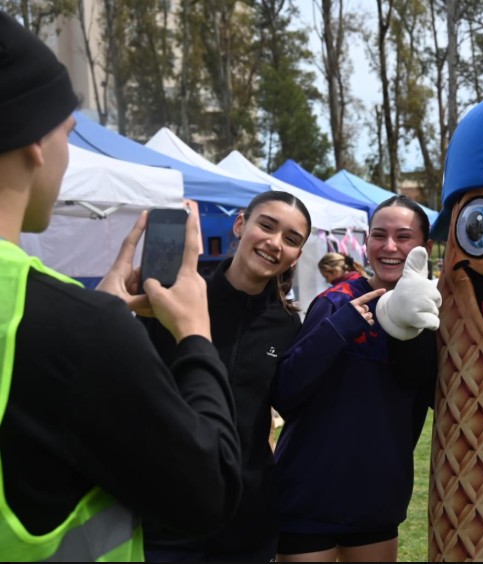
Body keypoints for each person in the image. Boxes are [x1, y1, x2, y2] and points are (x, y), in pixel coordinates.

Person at [0, 12, 241, 561]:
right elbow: (209, 489)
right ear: (36, 141)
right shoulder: (80, 331)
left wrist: (95, 312)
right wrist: (196, 336)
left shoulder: (76, 322)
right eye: (68, 131)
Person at [141, 191, 312, 562]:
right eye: (266, 226)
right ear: (240, 224)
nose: (275, 243)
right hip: (168, 518)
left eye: (291, 239)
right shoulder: (177, 298)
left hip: (247, 521)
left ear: (297, 255)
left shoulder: (286, 326)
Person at [272, 195, 440, 562]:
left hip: (376, 503)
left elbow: (438, 399)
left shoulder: (433, 322)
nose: (390, 246)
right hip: (308, 501)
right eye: (379, 235)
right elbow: (286, 392)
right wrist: (339, 329)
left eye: (403, 236)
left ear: (425, 248)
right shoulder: (336, 304)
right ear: (365, 244)